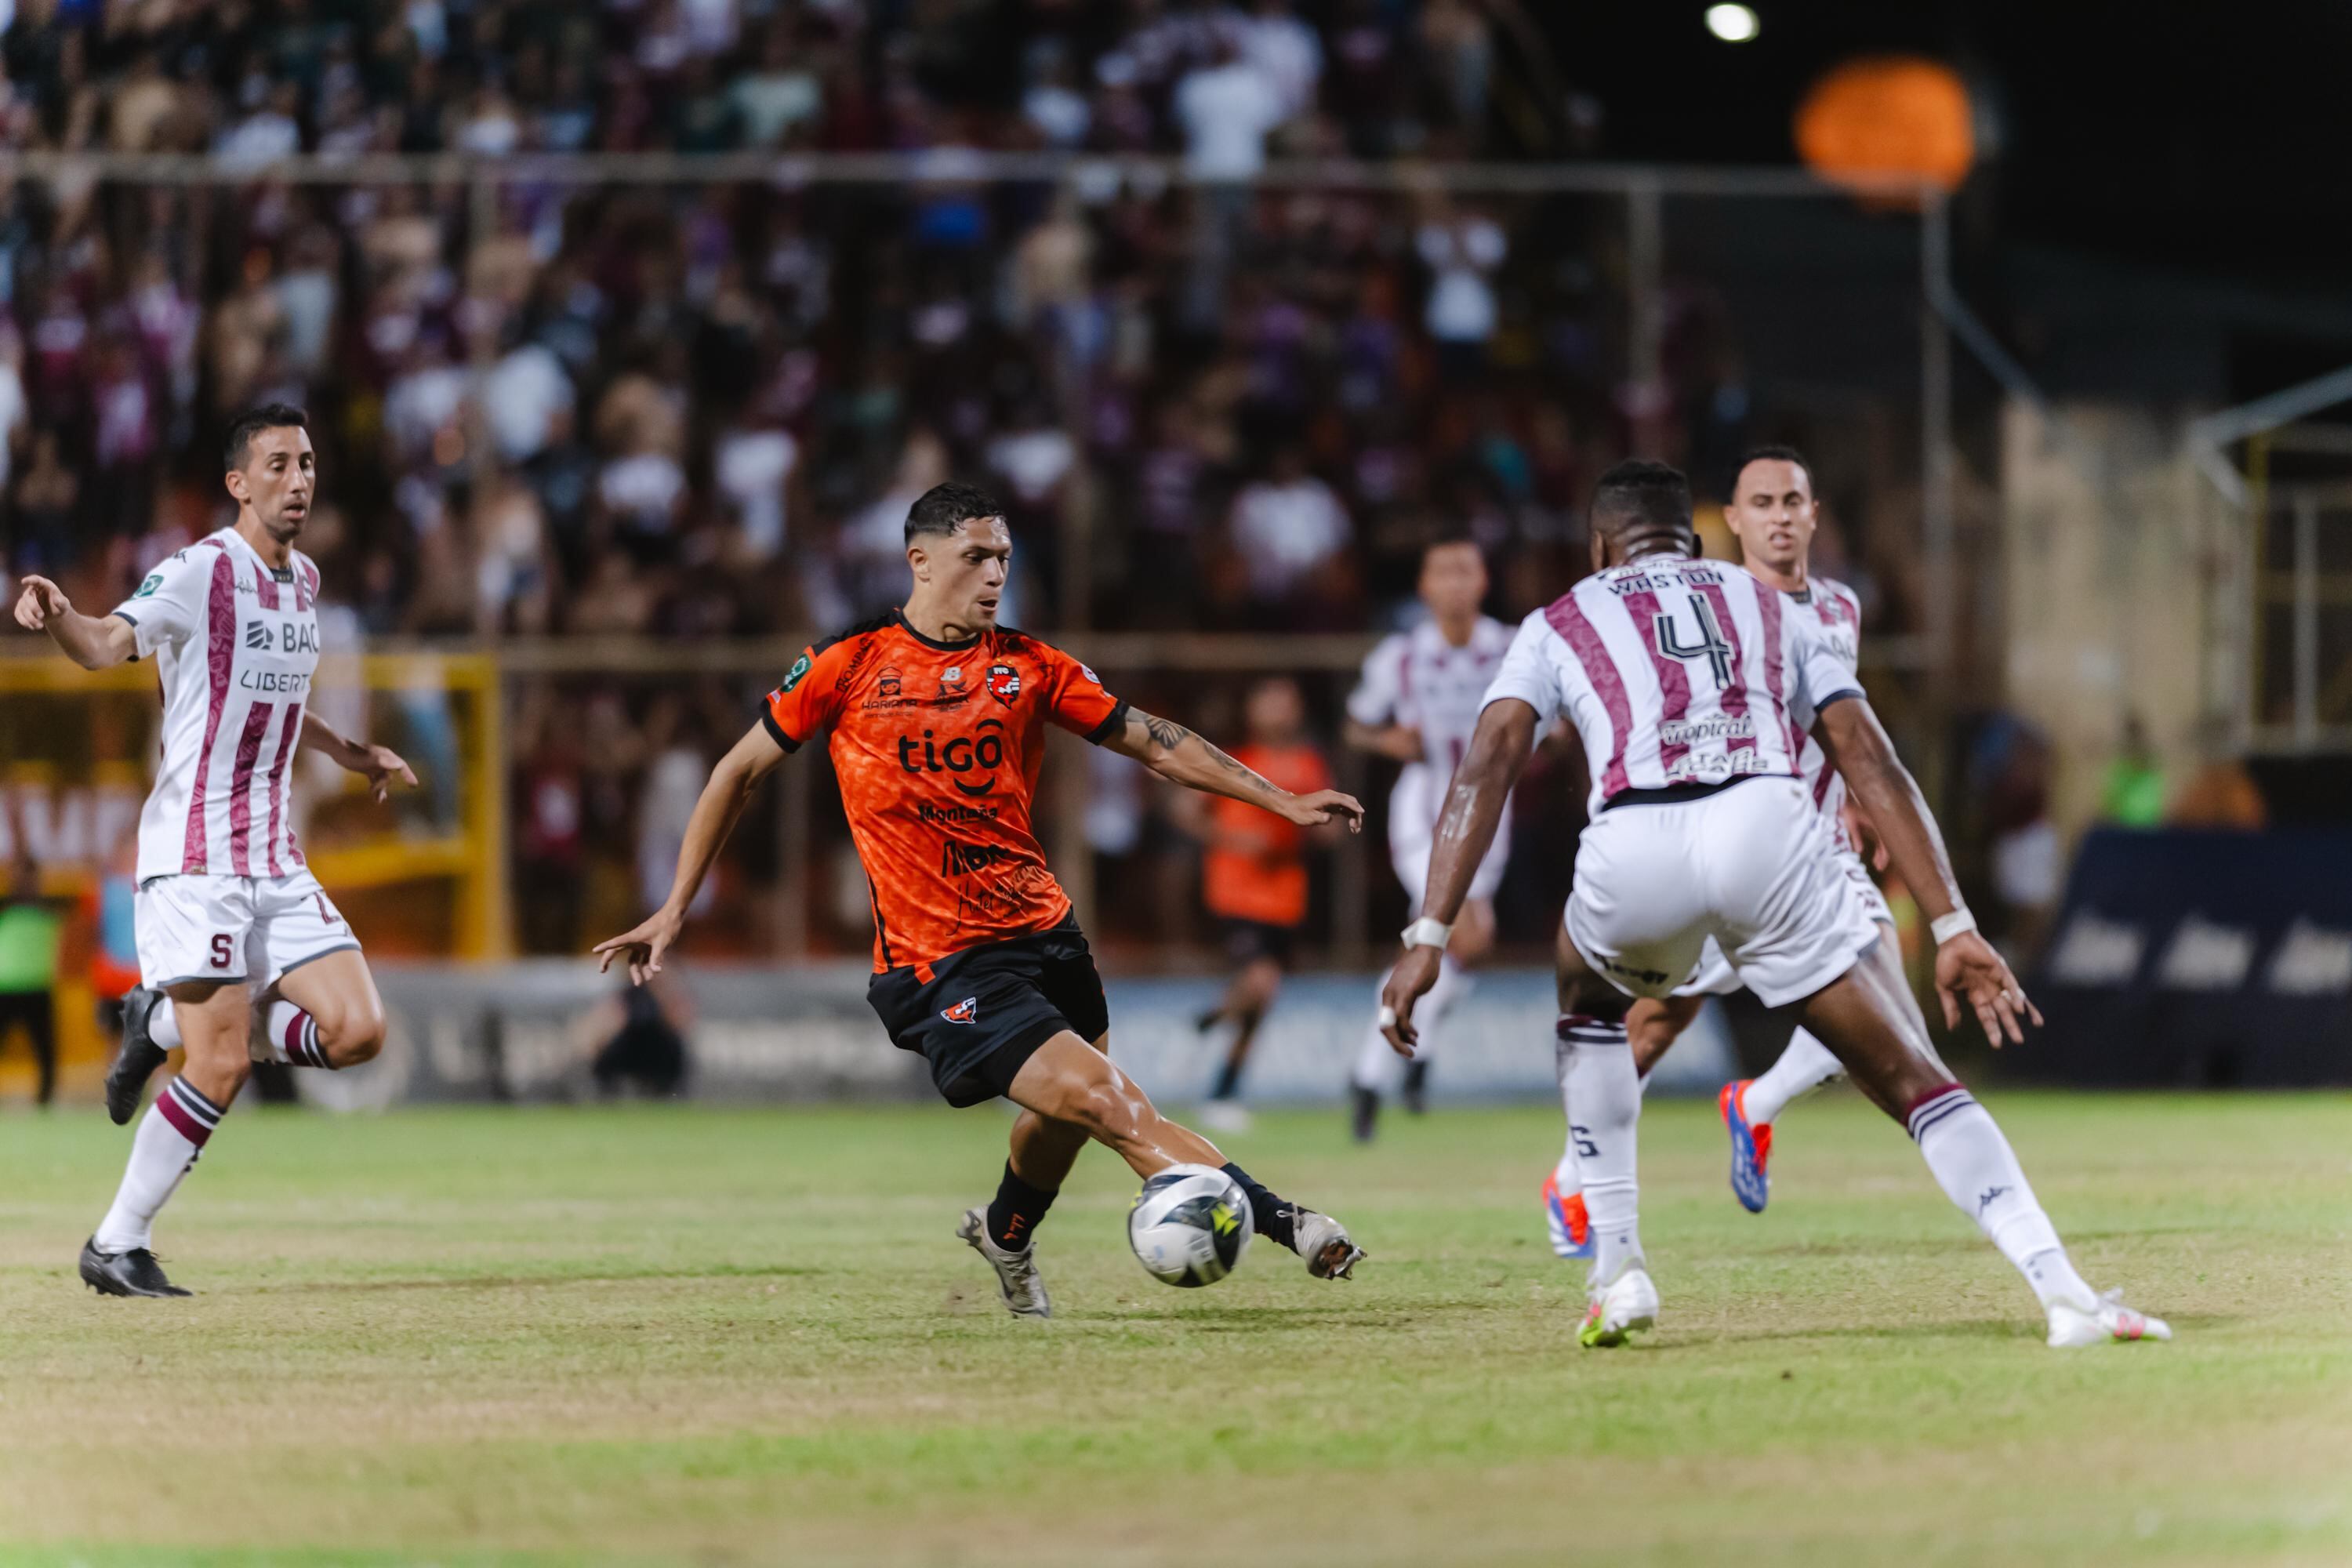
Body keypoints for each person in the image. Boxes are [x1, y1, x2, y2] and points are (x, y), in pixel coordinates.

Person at [1381, 459, 2169, 1351]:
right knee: (1912, 1075)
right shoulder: (1771, 605)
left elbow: (1486, 765)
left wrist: (1428, 932)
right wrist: (1953, 923)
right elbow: (1871, 760)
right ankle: (2064, 1293)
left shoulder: (1560, 617)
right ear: (1702, 532)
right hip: (1770, 830)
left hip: (1635, 842)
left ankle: (1620, 1266)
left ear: (1600, 544)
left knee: (1591, 995)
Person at [595, 483, 1368, 1318]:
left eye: (1003, 556)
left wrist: (1278, 799)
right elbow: (735, 772)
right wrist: (674, 906)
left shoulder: (1032, 666)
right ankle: (1290, 1221)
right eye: (976, 556)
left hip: (1047, 932)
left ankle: (1004, 1231)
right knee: (1110, 1101)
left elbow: (1154, 741)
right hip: (942, 963)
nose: (996, 573)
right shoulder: (847, 663)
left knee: (1067, 1119)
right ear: (920, 561)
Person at [12, 404, 417, 1298]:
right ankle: (117, 1241)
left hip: (276, 855)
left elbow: (269, 698)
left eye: (307, 462)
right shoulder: (200, 571)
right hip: (197, 858)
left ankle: (158, 1021)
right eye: (278, 464)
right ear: (238, 482)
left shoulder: (303, 581)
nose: (299, 478)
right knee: (224, 1060)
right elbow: (108, 644)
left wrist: (350, 752)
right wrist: (60, 612)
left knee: (358, 1031)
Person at [1545, 447, 1878, 1254]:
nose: (1780, 516)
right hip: (1720, 835)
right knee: (1659, 1020)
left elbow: (1842, 722)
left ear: (1814, 512)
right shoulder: (1721, 603)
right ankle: (1574, 1175)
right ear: (1730, 522)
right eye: (1761, 502)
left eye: (1793, 500)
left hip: (1811, 844)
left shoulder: (1840, 606)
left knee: (1877, 993)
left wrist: (1861, 796)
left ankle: (1757, 1103)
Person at [1341, 537, 1514, 1141]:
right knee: (1464, 931)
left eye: (1466, 569)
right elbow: (1357, 724)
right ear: (1424, 587)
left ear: (1483, 580)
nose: (1456, 583)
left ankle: (1401, 1055)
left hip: (1492, 813)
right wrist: (1388, 741)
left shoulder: (1512, 647)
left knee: (1457, 946)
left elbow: (1554, 720)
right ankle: (1372, 1074)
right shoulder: (1403, 656)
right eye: (1443, 572)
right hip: (1425, 813)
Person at [1188, 675, 1337, 1134]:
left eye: (1285, 702)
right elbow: (1187, 812)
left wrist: (1315, 830)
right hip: (1236, 891)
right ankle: (1218, 1035)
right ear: (1252, 710)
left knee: (1259, 1004)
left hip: (1285, 898)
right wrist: (1232, 839)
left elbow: (1329, 828)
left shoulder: (1309, 765)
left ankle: (1222, 1080)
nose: (1278, 710)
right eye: (1269, 701)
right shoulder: (1236, 761)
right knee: (1263, 982)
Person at [0, 851, 61, 1106]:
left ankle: (45, 1099)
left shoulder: (48, 907)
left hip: (39, 986)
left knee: (45, 1050)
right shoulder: (5, 906)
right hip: (6, 987)